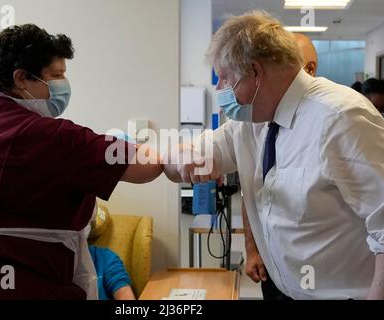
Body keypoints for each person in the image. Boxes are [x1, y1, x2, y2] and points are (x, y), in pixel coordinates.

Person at [165, 11, 384, 299]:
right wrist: (183, 158)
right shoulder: (250, 123)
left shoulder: (340, 118)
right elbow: (182, 159)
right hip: (280, 290)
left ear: (255, 72)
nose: (218, 89)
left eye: (224, 77)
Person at [0, 24, 163, 299]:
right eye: (55, 76)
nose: (62, 87)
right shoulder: (53, 137)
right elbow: (145, 168)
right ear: (21, 78)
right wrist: (179, 150)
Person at [241, 30, 320, 300]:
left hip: (321, 282)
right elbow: (252, 189)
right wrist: (252, 249)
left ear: (309, 69)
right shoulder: (261, 122)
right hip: (275, 275)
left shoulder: (329, 122)